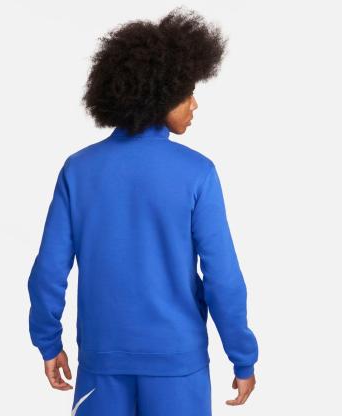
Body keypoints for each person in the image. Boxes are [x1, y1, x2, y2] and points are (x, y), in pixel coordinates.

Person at [27, 6, 258, 415]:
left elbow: (48, 271)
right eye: (187, 92)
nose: (194, 104)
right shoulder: (197, 173)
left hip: (102, 364)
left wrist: (48, 342)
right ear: (158, 94)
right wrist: (242, 356)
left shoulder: (78, 170)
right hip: (178, 366)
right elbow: (223, 278)